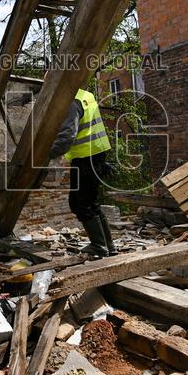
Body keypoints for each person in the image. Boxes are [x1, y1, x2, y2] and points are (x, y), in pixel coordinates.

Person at [48, 88, 115, 257]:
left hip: (85, 157)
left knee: (79, 203)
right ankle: (108, 246)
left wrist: (43, 153)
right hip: (97, 154)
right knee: (91, 202)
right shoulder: (86, 95)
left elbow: (67, 137)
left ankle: (99, 246)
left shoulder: (70, 101)